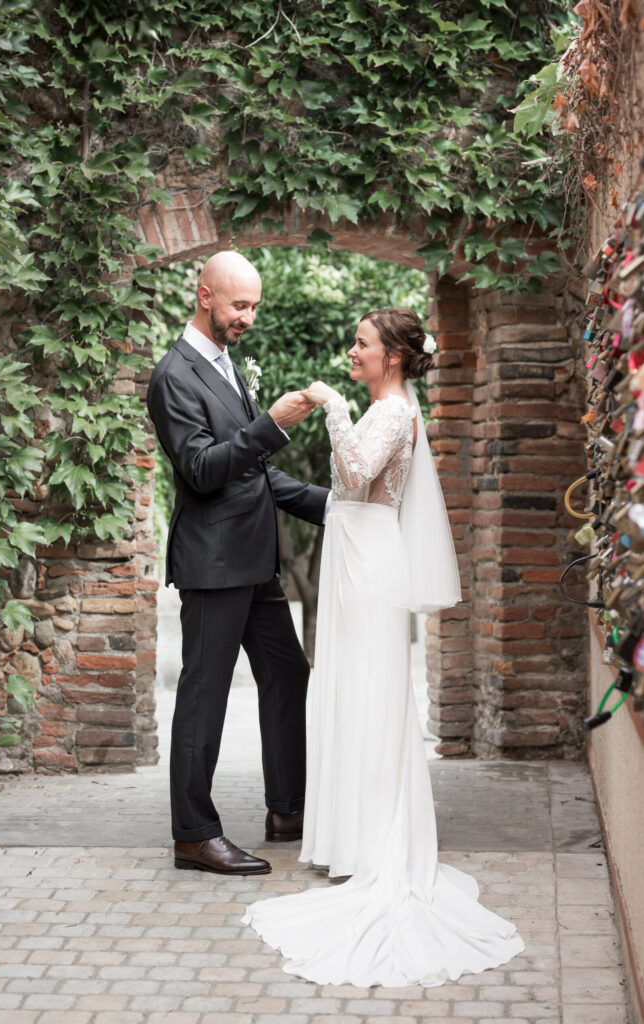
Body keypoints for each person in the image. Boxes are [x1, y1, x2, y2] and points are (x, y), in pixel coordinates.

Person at [243, 308, 525, 986]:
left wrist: (331, 405)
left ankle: (372, 842)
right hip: (354, 552)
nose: (353, 351)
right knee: (346, 689)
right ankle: (345, 837)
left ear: (393, 358)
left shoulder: (394, 411)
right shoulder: (387, 405)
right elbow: (347, 486)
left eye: (363, 344)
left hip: (369, 563)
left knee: (369, 690)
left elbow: (359, 470)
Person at [147, 251, 329, 876]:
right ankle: (194, 834)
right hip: (214, 564)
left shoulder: (224, 365)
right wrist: (271, 424)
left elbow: (253, 474)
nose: (248, 316)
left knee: (288, 674)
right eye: (238, 305)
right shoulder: (173, 376)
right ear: (204, 296)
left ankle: (288, 810)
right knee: (205, 698)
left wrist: (336, 509)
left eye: (254, 305)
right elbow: (201, 470)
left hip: (255, 562)